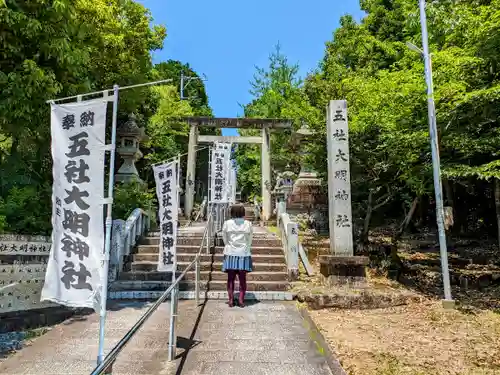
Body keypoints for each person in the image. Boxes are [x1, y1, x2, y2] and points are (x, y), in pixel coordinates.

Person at [221, 204, 253, 307]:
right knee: (242, 278)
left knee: (230, 278)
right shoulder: (248, 224)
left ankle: (230, 300)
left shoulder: (227, 223)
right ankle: (241, 300)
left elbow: (224, 238)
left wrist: (228, 245)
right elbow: (250, 240)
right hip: (243, 253)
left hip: (230, 253)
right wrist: (246, 248)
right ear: (243, 212)